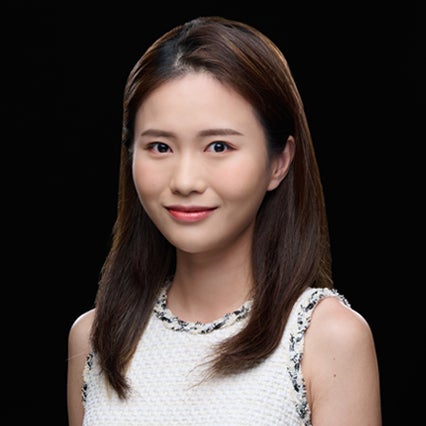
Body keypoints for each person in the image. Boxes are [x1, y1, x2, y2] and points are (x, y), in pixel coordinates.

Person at [67, 16, 382, 425]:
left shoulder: (325, 338)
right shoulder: (95, 338)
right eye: (160, 147)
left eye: (218, 146)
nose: (185, 181)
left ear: (279, 161)